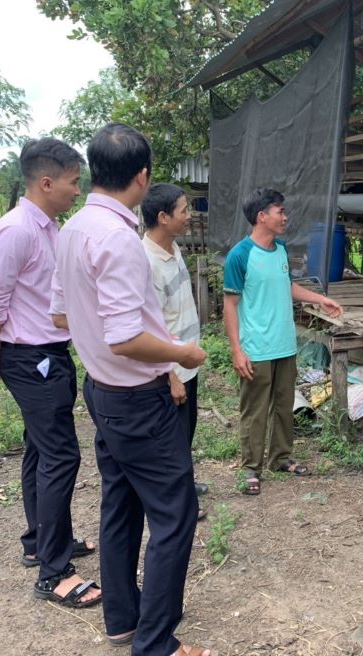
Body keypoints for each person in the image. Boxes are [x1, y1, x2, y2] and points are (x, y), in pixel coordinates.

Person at [50, 123, 210, 656]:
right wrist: (181, 354)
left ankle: (122, 618)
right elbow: (125, 338)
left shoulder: (72, 229)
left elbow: (59, 313)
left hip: (102, 392)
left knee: (120, 504)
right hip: (137, 399)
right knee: (174, 514)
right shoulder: (119, 239)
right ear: (142, 177)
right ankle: (156, 642)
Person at [0, 137, 101, 609]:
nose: (76, 190)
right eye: (72, 182)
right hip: (32, 359)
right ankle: (53, 573)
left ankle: (41, 541)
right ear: (46, 182)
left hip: (48, 354)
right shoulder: (15, 231)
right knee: (61, 457)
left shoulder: (48, 227)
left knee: (40, 451)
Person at [223, 188, 343, 496]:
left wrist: (319, 299)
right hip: (256, 348)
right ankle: (251, 468)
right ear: (262, 216)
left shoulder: (280, 249)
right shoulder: (240, 255)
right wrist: (237, 350)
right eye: (280, 211)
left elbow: (287, 286)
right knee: (254, 409)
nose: (285, 217)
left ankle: (281, 457)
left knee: (283, 404)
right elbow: (230, 305)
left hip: (284, 344)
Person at [141, 183, 209, 514]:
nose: (189, 215)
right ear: (163, 217)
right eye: (183, 210)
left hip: (187, 362)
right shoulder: (146, 263)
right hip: (171, 370)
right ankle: (179, 503)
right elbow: (149, 329)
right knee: (170, 442)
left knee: (185, 434)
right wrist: (170, 376)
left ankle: (184, 486)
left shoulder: (173, 248)